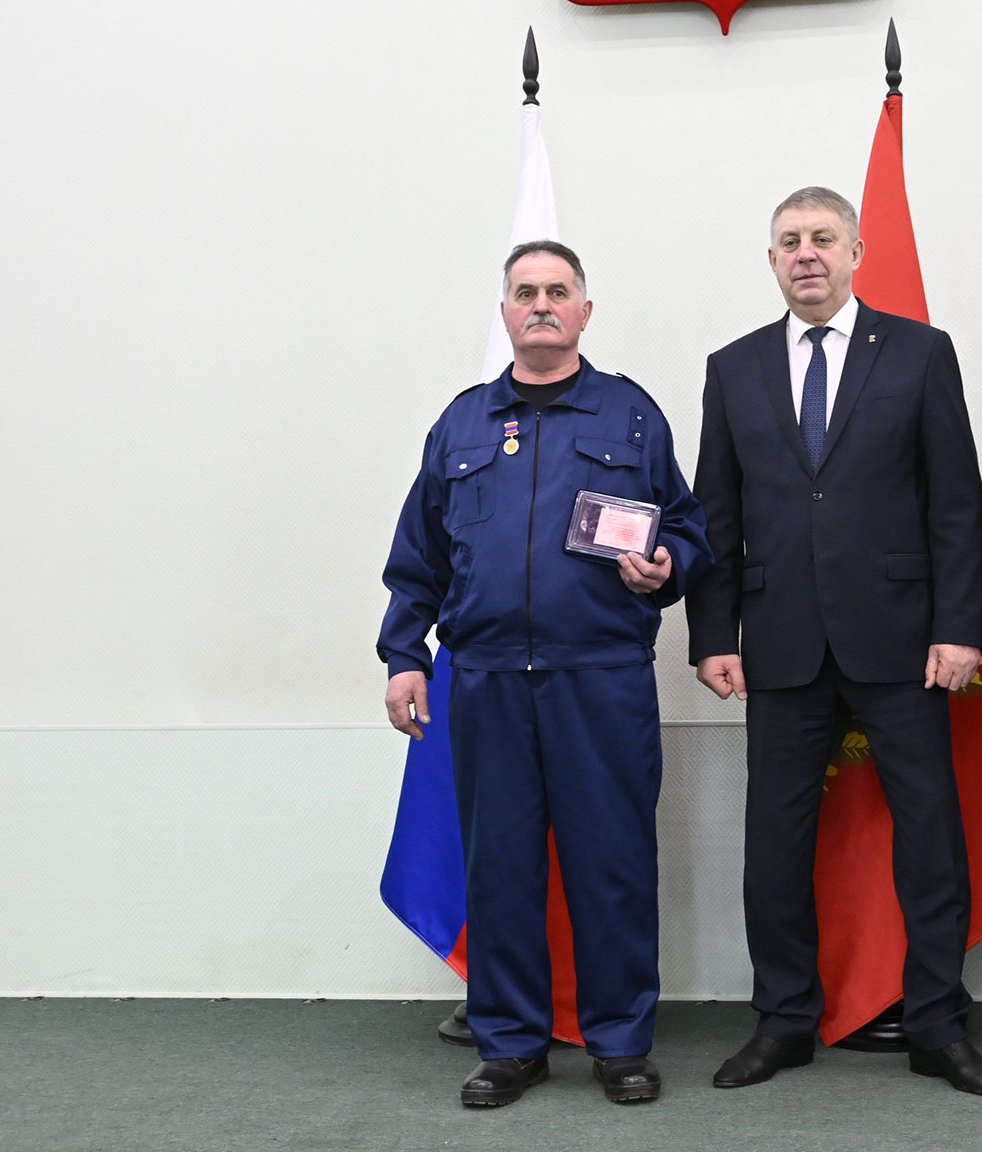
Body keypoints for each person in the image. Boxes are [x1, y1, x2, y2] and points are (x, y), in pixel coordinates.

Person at [686, 186, 982, 1097]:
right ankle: (784, 1020)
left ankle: (937, 1025)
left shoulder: (919, 352)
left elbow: (956, 504)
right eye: (790, 241)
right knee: (774, 847)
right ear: (771, 260)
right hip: (779, 644)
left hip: (903, 644)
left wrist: (960, 629)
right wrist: (713, 634)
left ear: (856, 252)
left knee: (931, 840)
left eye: (823, 238)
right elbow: (716, 512)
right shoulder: (733, 367)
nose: (807, 254)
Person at [377, 240, 710, 1108]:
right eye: (525, 292)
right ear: (504, 313)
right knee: (500, 869)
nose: (541, 305)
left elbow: (688, 528)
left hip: (600, 677)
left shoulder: (630, 415)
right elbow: (418, 558)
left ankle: (620, 1043)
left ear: (584, 312)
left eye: (558, 291)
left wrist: (666, 563)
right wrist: (404, 656)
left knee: (613, 865)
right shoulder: (462, 424)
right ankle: (511, 1043)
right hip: (486, 678)